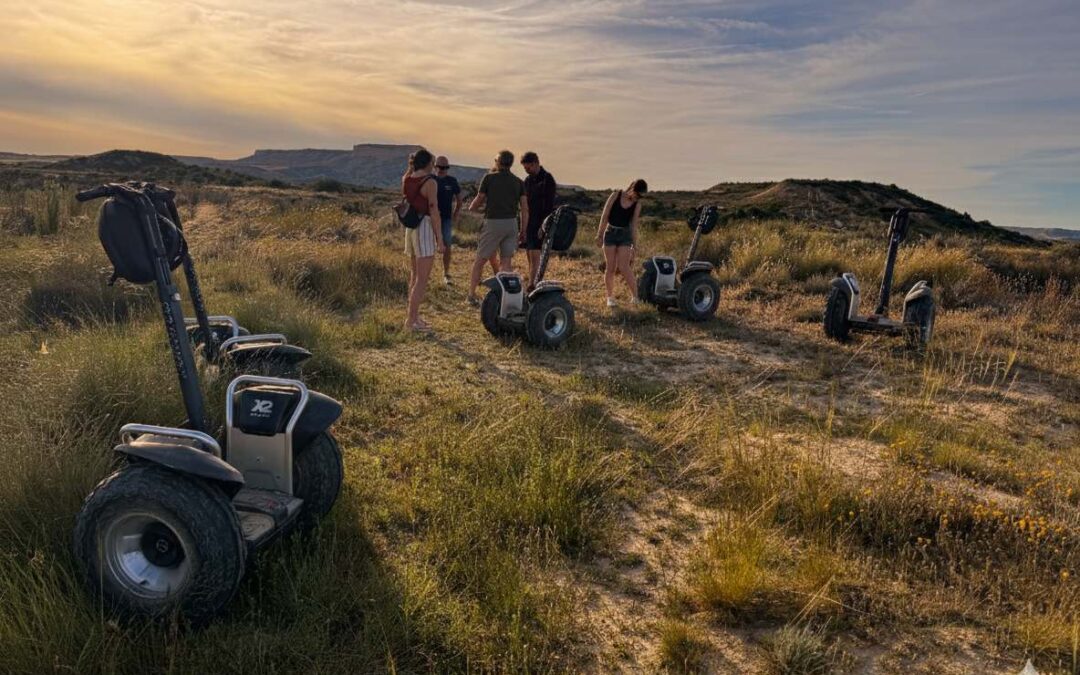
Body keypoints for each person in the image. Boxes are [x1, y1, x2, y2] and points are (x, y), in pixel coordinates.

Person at [467, 149, 527, 306]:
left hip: (494, 222)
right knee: (506, 262)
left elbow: (479, 199)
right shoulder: (518, 182)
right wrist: (523, 230)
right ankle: (506, 298)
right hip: (511, 223)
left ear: (498, 162)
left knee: (480, 259)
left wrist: (472, 208)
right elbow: (525, 208)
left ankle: (471, 295)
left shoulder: (489, 178)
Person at [402, 148, 445, 331]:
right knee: (422, 278)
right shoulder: (430, 182)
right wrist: (440, 239)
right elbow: (433, 211)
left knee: (414, 275)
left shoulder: (407, 178)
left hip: (410, 229)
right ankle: (411, 321)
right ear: (428, 163)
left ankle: (413, 317)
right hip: (424, 227)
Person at [596, 178, 648, 307]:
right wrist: (600, 234)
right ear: (632, 188)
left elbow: (634, 226)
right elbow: (605, 215)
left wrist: (634, 246)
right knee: (611, 267)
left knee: (624, 267)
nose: (637, 198)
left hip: (624, 235)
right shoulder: (615, 195)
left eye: (640, 197)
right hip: (610, 233)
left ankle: (635, 298)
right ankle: (610, 298)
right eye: (637, 195)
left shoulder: (637, 205)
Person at [521, 151, 557, 290]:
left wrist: (543, 226)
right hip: (528, 221)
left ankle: (532, 285)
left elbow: (549, 206)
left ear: (535, 163)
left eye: (528, 167)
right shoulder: (528, 181)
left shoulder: (548, 179)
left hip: (541, 222)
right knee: (530, 253)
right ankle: (533, 279)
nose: (526, 170)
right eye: (525, 168)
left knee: (536, 254)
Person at [433, 155, 462, 285]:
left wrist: (455, 214)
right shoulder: (430, 179)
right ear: (434, 166)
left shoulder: (452, 181)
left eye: (445, 167)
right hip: (430, 218)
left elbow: (459, 200)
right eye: (440, 167)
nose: (442, 169)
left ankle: (446, 272)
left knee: (447, 245)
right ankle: (425, 272)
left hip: (445, 219)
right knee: (427, 245)